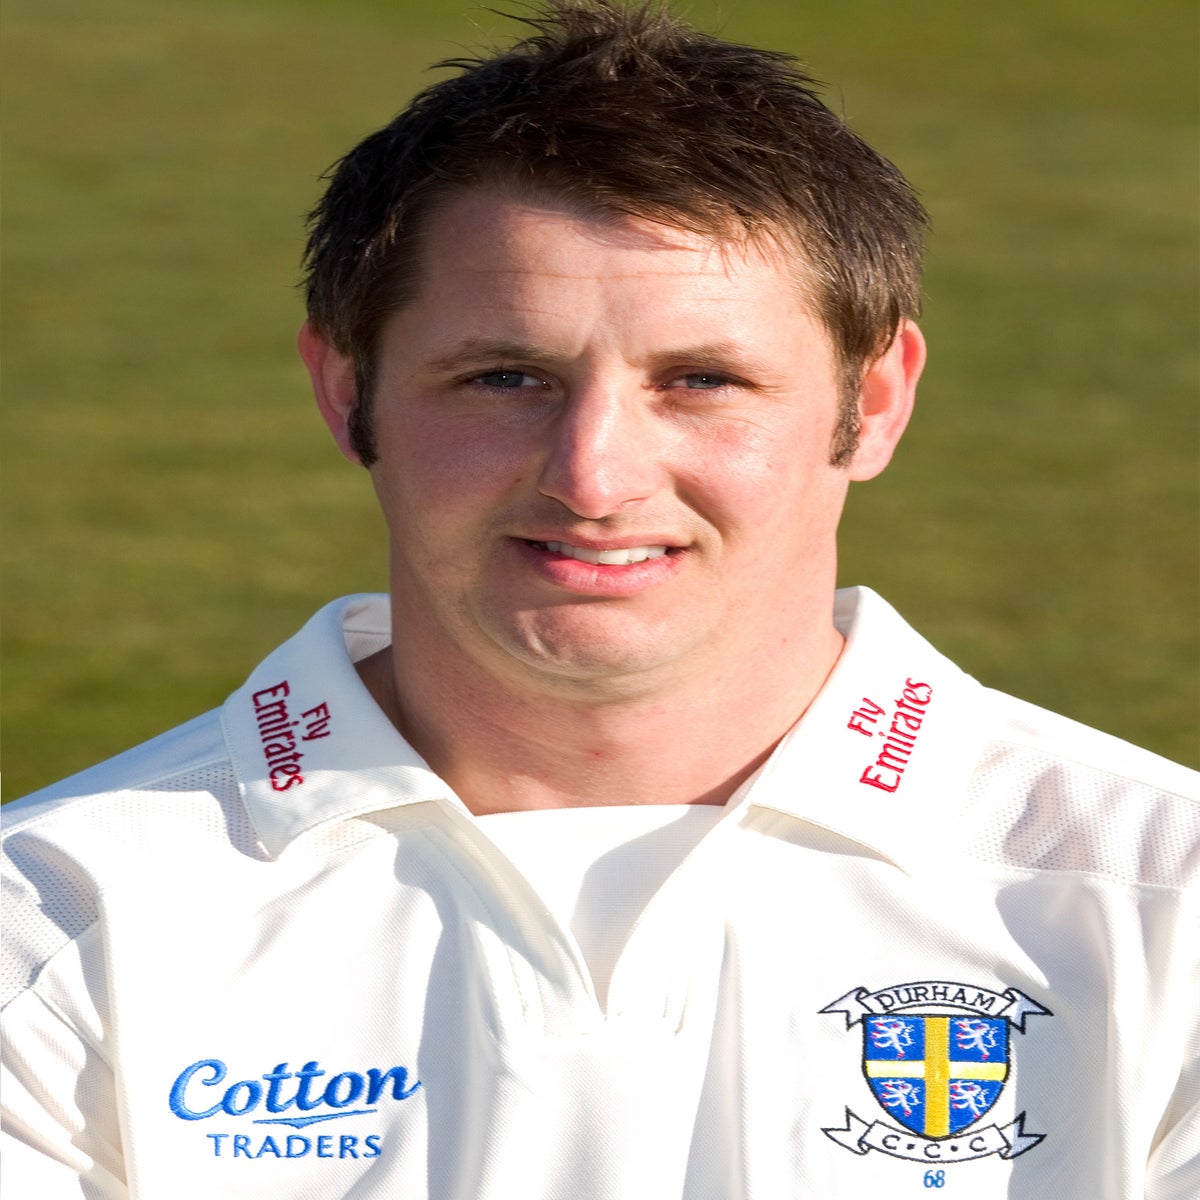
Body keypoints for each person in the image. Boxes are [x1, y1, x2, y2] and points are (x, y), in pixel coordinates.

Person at [2, 1, 1195, 1196]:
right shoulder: (53, 913)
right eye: (505, 377)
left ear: (872, 403)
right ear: (346, 392)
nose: (594, 476)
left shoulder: (1166, 900)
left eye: (703, 379)